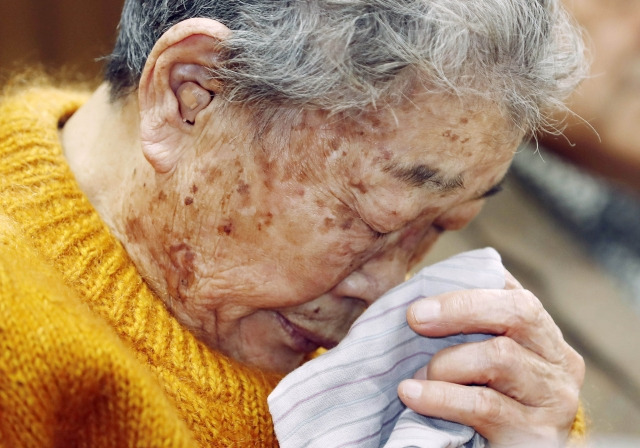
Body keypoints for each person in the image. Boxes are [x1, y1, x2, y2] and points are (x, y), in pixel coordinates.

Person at [0, 1, 587, 446]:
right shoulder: (19, 342)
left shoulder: (432, 372)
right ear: (193, 95)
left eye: (444, 227)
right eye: (374, 220)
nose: (387, 291)